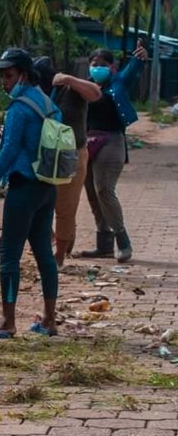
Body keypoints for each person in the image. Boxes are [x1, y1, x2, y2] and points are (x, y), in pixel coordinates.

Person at [0, 48, 61, 337]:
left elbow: (9, 151)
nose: (3, 81)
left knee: (10, 256)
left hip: (23, 188)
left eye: (8, 75)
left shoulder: (18, 108)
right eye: (1, 76)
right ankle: (49, 320)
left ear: (23, 74)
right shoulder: (48, 104)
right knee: (44, 255)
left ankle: (7, 323)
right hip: (47, 188)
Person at [80, 41, 147, 263]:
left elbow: (133, 69)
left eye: (102, 64)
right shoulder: (85, 87)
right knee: (90, 190)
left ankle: (123, 241)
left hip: (111, 141)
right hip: (88, 142)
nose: (97, 67)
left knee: (104, 190)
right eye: (93, 64)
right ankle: (104, 244)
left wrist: (139, 57)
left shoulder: (118, 82)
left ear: (112, 67)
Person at [33, 57, 102, 268]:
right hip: (43, 155)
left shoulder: (71, 91)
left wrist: (70, 80)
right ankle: (56, 238)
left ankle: (60, 255)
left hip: (72, 155)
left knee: (65, 207)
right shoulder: (35, 95)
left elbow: (96, 93)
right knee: (37, 205)